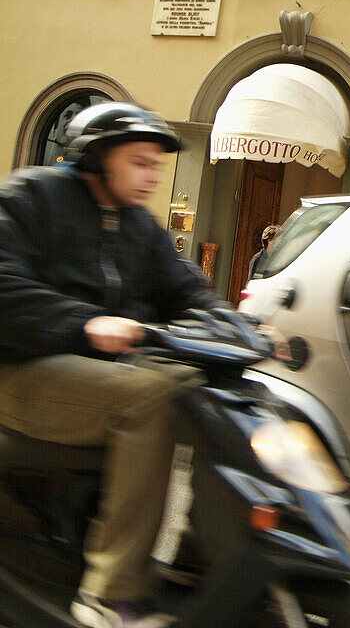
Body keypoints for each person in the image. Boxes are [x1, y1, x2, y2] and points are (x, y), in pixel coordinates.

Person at [0, 103, 275, 628]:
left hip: (99, 374)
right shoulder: (29, 197)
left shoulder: (140, 228)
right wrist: (85, 322)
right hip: (23, 370)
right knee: (151, 399)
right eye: (140, 162)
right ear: (97, 159)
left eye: (156, 164)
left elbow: (187, 289)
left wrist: (242, 326)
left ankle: (202, 562)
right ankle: (113, 591)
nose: (153, 176)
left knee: (212, 395)